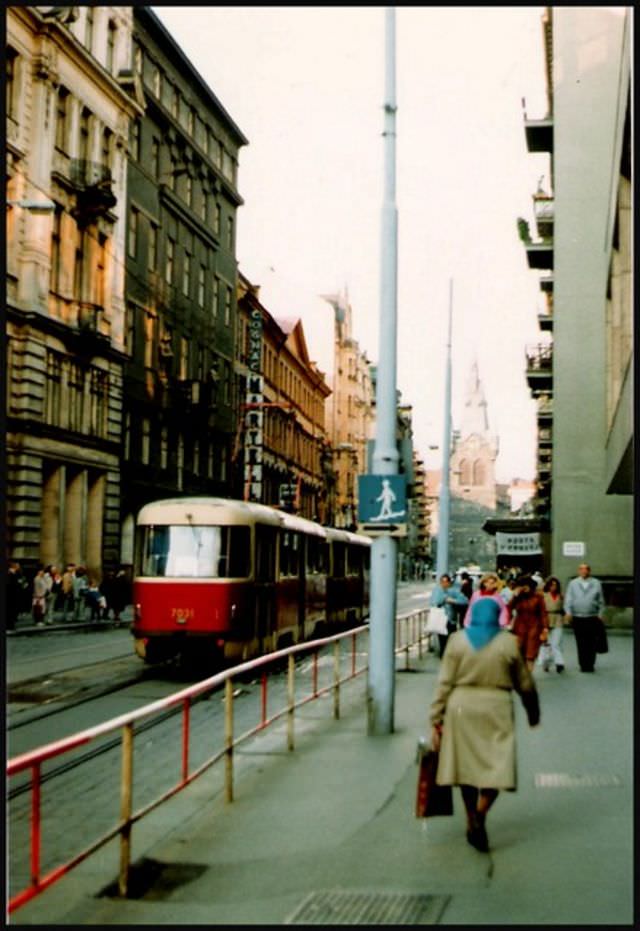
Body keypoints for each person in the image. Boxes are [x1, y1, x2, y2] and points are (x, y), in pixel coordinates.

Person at [429, 594, 540, 853]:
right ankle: (481, 814)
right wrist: (532, 712)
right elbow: (525, 682)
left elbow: (444, 683)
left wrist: (436, 717)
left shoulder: (456, 642)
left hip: (461, 707)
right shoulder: (510, 643)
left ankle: (471, 817)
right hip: (497, 708)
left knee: (466, 769)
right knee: (496, 766)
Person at [564, 563, 605, 673]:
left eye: (586, 569)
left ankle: (590, 664)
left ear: (589, 571)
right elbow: (568, 599)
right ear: (578, 571)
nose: (583, 571)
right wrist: (568, 612)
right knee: (580, 641)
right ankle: (583, 664)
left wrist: (600, 614)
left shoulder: (596, 583)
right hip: (578, 616)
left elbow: (601, 600)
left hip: (592, 616)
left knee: (591, 641)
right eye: (581, 569)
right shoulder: (573, 583)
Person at [509, 575, 549, 671]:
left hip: (534, 626)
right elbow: (509, 608)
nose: (525, 588)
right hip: (519, 626)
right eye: (522, 585)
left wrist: (545, 628)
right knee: (518, 651)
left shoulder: (538, 597)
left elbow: (543, 613)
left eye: (527, 585)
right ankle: (520, 674)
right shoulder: (518, 597)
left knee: (530, 654)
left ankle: (528, 676)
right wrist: (515, 596)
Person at [429, 574, 469, 657]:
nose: (444, 584)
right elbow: (433, 602)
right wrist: (444, 598)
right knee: (442, 638)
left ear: (449, 582)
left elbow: (465, 600)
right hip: (440, 619)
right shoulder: (437, 591)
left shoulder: (454, 591)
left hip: (451, 619)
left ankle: (450, 654)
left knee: (452, 638)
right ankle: (443, 654)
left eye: (446, 582)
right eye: (442, 582)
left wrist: (453, 601)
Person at [541, 576, 565, 673]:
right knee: (547, 644)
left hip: (558, 618)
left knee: (556, 643)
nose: (553, 587)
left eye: (555, 585)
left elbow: (565, 607)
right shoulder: (544, 596)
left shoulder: (561, 596)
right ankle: (546, 662)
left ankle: (559, 663)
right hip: (546, 618)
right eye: (551, 585)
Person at [7, 561, 28, 631]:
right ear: (14, 566)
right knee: (11, 611)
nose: (19, 567)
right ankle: (10, 625)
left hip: (15, 595)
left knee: (13, 610)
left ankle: (11, 624)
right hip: (11, 595)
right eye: (17, 566)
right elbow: (11, 585)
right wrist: (19, 584)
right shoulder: (9, 574)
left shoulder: (16, 573)